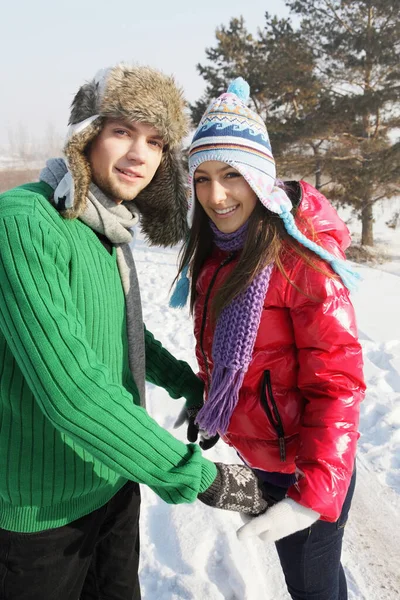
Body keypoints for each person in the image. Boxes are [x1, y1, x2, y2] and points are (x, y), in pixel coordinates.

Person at [0, 66, 268, 600]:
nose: (139, 155)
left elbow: (122, 327)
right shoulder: (25, 222)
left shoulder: (108, 224)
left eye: (155, 141)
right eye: (122, 131)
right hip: (41, 514)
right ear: (87, 134)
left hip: (115, 482)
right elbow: (71, 390)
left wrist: (188, 385)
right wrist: (198, 476)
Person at [171, 77, 366, 600]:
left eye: (232, 174)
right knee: (304, 581)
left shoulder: (302, 263)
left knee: (315, 587)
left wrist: (313, 495)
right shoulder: (219, 253)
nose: (216, 195)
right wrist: (211, 397)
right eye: (203, 178)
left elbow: (339, 385)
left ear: (260, 176)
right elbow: (232, 352)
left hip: (309, 465)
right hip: (267, 459)